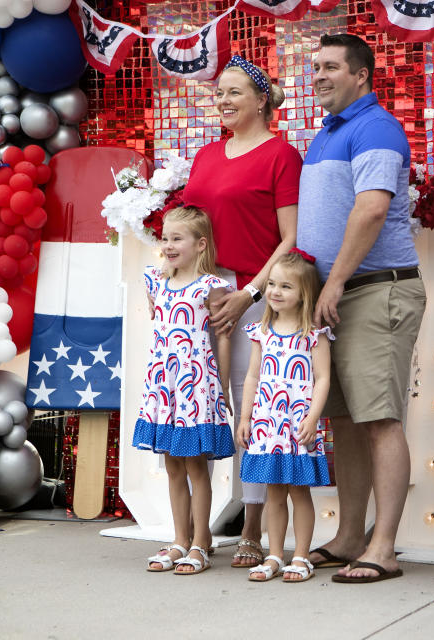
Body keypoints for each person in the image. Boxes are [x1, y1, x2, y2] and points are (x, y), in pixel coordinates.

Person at [297, 33, 426, 583]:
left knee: (379, 419)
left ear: (362, 75)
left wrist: (336, 281)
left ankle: (385, 548)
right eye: (316, 67)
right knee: (345, 421)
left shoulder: (377, 128)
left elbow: (372, 211)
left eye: (331, 67)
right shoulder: (327, 133)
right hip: (338, 297)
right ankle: (350, 536)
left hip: (376, 290)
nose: (319, 75)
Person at [182, 54, 302, 568]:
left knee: (251, 407)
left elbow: (293, 238)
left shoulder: (281, 155)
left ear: (261, 100)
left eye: (234, 92)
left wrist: (249, 294)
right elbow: (190, 227)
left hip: (255, 296)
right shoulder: (207, 155)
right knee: (203, 404)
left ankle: (253, 527)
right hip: (204, 295)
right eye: (219, 93)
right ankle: (196, 532)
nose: (223, 101)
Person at [132, 207, 234, 575]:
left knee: (196, 466)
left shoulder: (212, 286)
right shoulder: (155, 281)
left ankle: (200, 542)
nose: (169, 245)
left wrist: (220, 385)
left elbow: (222, 337)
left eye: (177, 238)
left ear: (200, 243)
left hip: (196, 385)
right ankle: (179, 539)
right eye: (166, 238)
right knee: (173, 466)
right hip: (164, 385)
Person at [237, 250, 334, 583]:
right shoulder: (260, 331)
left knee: (298, 491)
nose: (275, 292)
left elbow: (323, 378)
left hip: (298, 425)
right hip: (268, 425)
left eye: (285, 287)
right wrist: (246, 417)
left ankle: (302, 556)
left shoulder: (314, 334)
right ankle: (275, 554)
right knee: (273, 491)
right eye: (273, 284)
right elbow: (252, 376)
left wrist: (313, 417)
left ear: (304, 294)